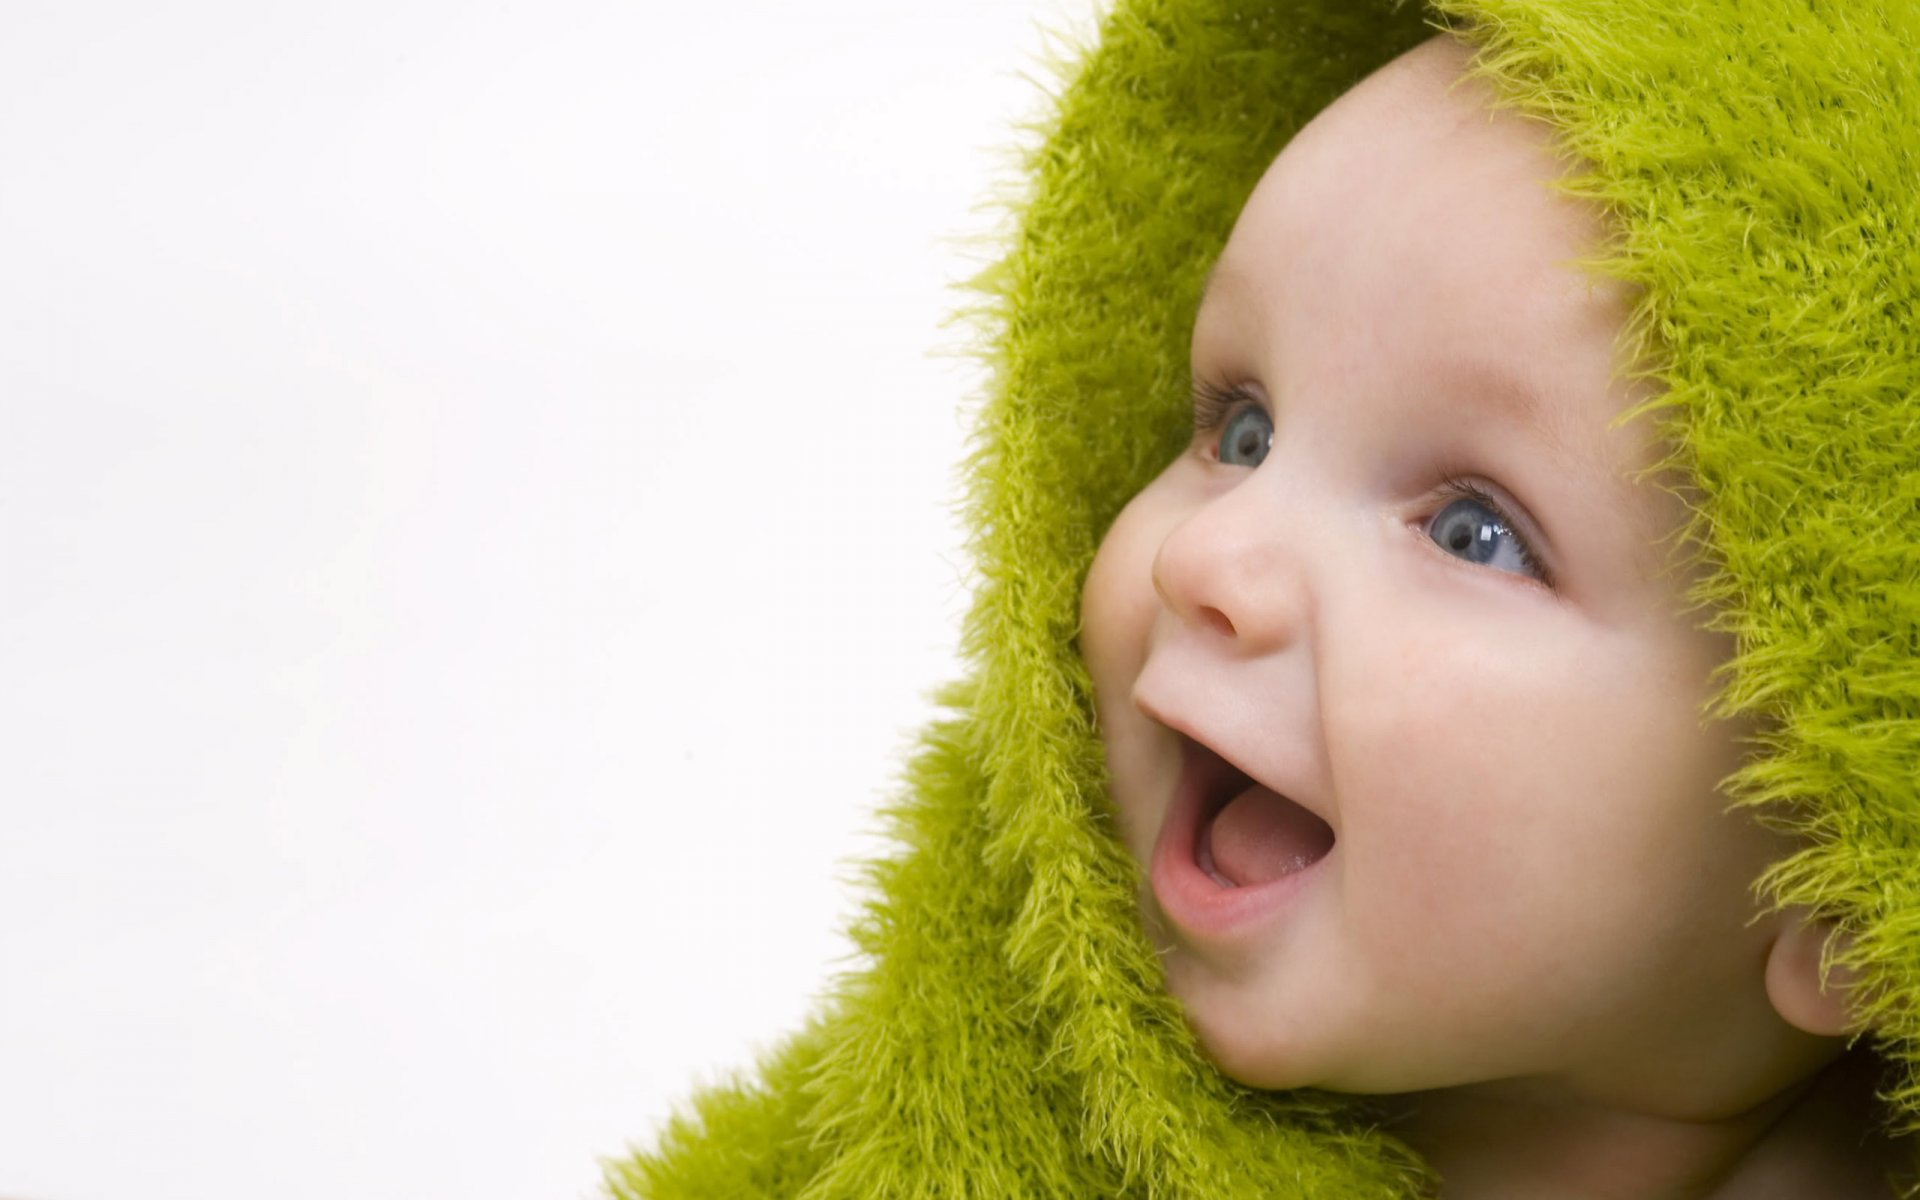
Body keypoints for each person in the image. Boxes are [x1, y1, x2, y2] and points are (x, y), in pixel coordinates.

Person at [607, 3, 1920, 1196]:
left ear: (1850, 876)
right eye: (1242, 431)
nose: (1210, 561)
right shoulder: (942, 1107)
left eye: (1474, 533)